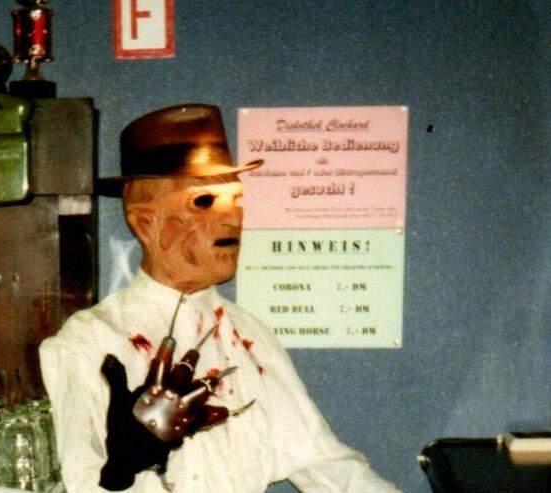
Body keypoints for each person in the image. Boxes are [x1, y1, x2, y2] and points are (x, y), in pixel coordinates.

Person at [39, 104, 401, 492]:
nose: (231, 218)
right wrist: (121, 470)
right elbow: (82, 482)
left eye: (237, 200)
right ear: (144, 221)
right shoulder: (88, 343)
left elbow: (324, 463)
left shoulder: (249, 337)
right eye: (204, 201)